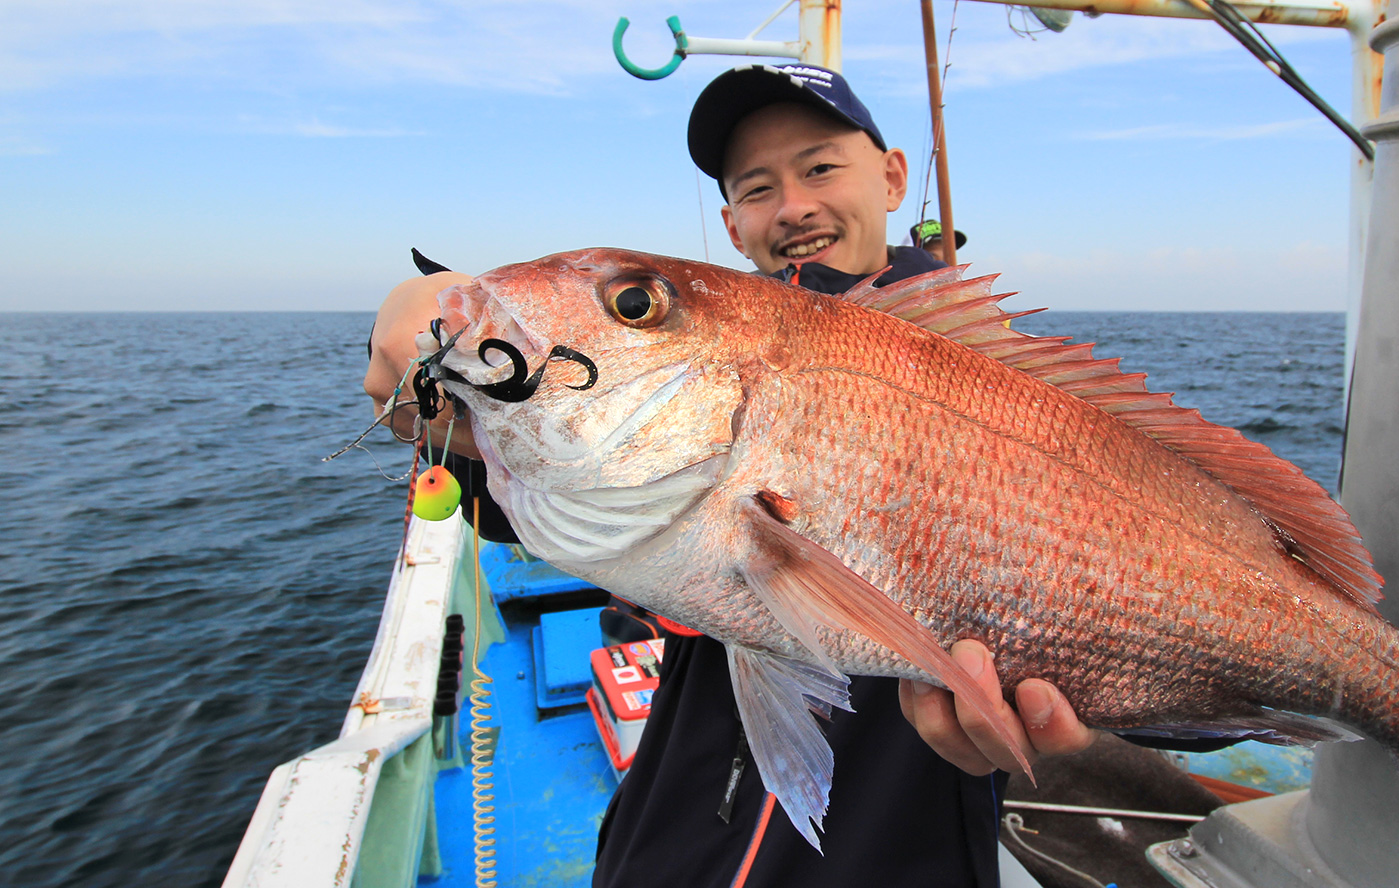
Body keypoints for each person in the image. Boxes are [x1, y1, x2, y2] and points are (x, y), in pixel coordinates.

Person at [364, 63, 1184, 885]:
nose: (793, 206)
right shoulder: (717, 352)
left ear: (893, 176)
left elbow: (1165, 597)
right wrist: (447, 396)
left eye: (821, 167)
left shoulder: (992, 374)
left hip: (901, 847)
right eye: (757, 187)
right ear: (730, 222)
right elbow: (561, 497)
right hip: (666, 837)